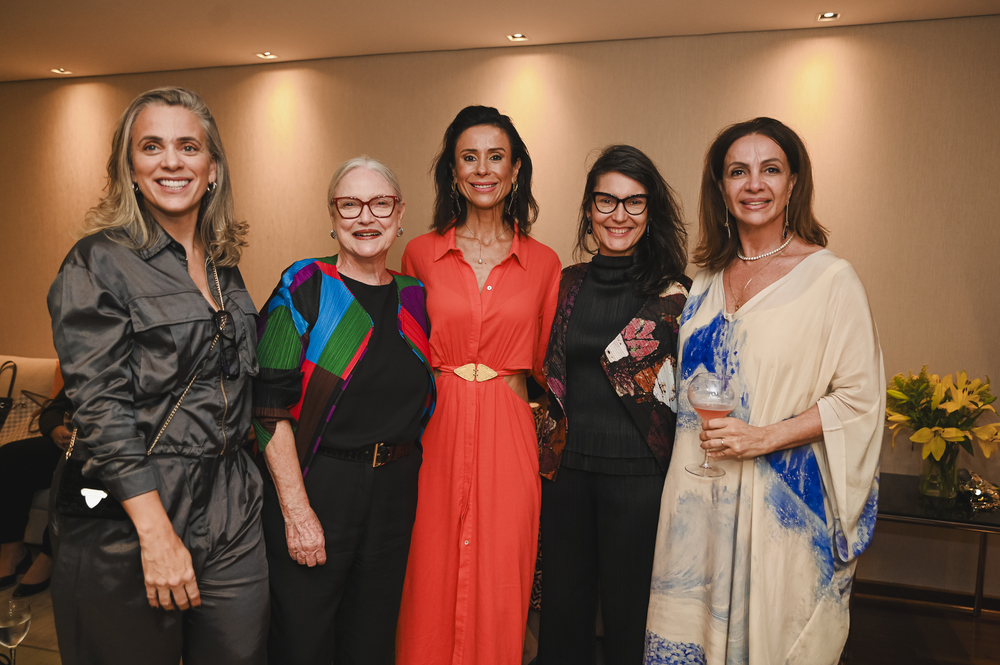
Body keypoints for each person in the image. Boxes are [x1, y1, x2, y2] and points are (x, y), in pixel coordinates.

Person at [643, 117, 884, 665]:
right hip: (696, 502)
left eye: (770, 169)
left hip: (776, 509)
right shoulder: (703, 280)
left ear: (793, 183)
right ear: (721, 188)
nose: (755, 184)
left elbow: (858, 399)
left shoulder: (830, 280)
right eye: (738, 171)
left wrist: (763, 437)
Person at [47, 87, 268, 665]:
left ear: (212, 167)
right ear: (130, 167)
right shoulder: (97, 261)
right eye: (152, 146)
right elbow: (100, 410)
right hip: (134, 502)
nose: (172, 161)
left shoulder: (224, 266)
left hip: (230, 496)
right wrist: (156, 532)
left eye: (188, 146)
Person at [253, 157, 435, 665]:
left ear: (400, 216)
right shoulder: (305, 285)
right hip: (319, 484)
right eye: (349, 204)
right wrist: (296, 510)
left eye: (380, 204)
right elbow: (267, 407)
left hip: (394, 490)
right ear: (332, 217)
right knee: (304, 641)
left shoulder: (414, 297)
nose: (365, 217)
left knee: (372, 640)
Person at [396, 105, 561, 665]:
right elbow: (404, 354)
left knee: (500, 571)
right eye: (470, 157)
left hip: (510, 431)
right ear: (453, 171)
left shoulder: (544, 262)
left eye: (497, 157)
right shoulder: (420, 253)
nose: (483, 169)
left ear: (516, 171)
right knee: (428, 565)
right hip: (434, 429)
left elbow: (548, 368)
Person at [535, 145, 690, 665]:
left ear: (651, 213)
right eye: (606, 201)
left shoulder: (676, 295)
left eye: (634, 203)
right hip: (565, 473)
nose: (618, 215)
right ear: (588, 209)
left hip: (641, 478)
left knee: (632, 619)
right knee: (563, 614)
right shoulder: (566, 284)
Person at [0, 388, 72, 598]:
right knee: (10, 457)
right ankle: (13, 550)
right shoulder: (89, 362)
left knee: (78, 471)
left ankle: (49, 556)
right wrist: (56, 429)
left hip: (106, 447)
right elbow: (55, 409)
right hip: (68, 440)